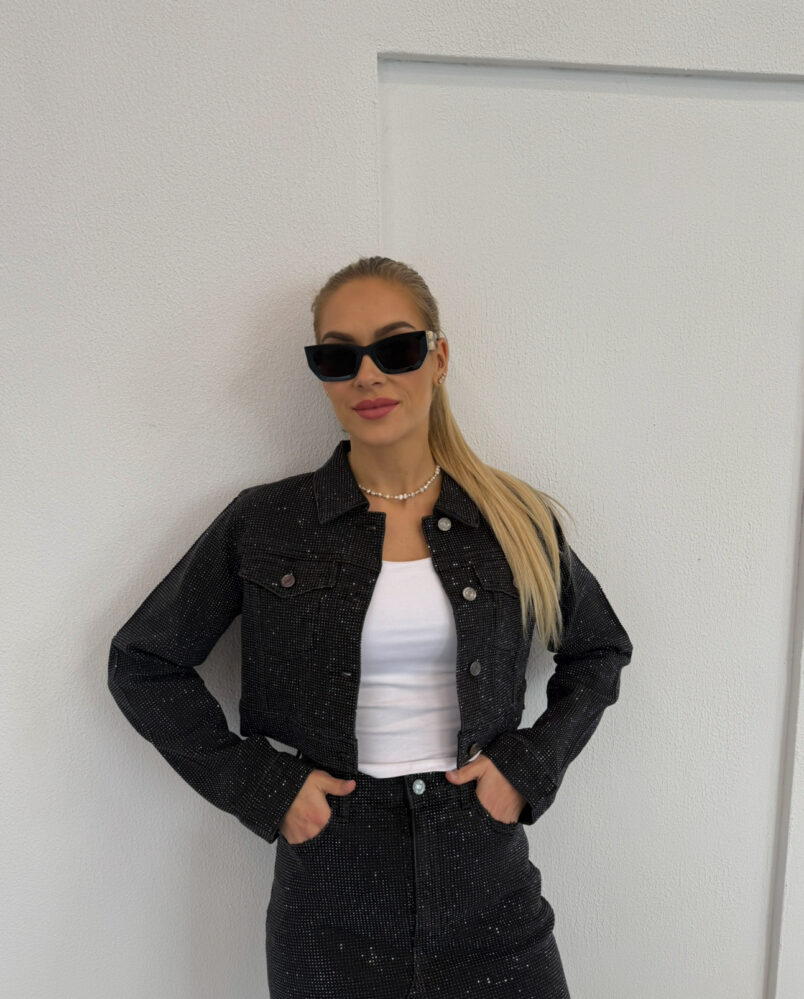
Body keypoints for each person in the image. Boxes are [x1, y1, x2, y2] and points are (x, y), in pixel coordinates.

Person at [108, 255, 633, 998]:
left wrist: (529, 765)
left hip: (487, 884)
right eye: (339, 357)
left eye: (396, 348)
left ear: (438, 357)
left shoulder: (512, 521)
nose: (368, 375)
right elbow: (143, 661)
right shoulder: (267, 521)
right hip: (329, 891)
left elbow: (599, 649)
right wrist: (263, 786)